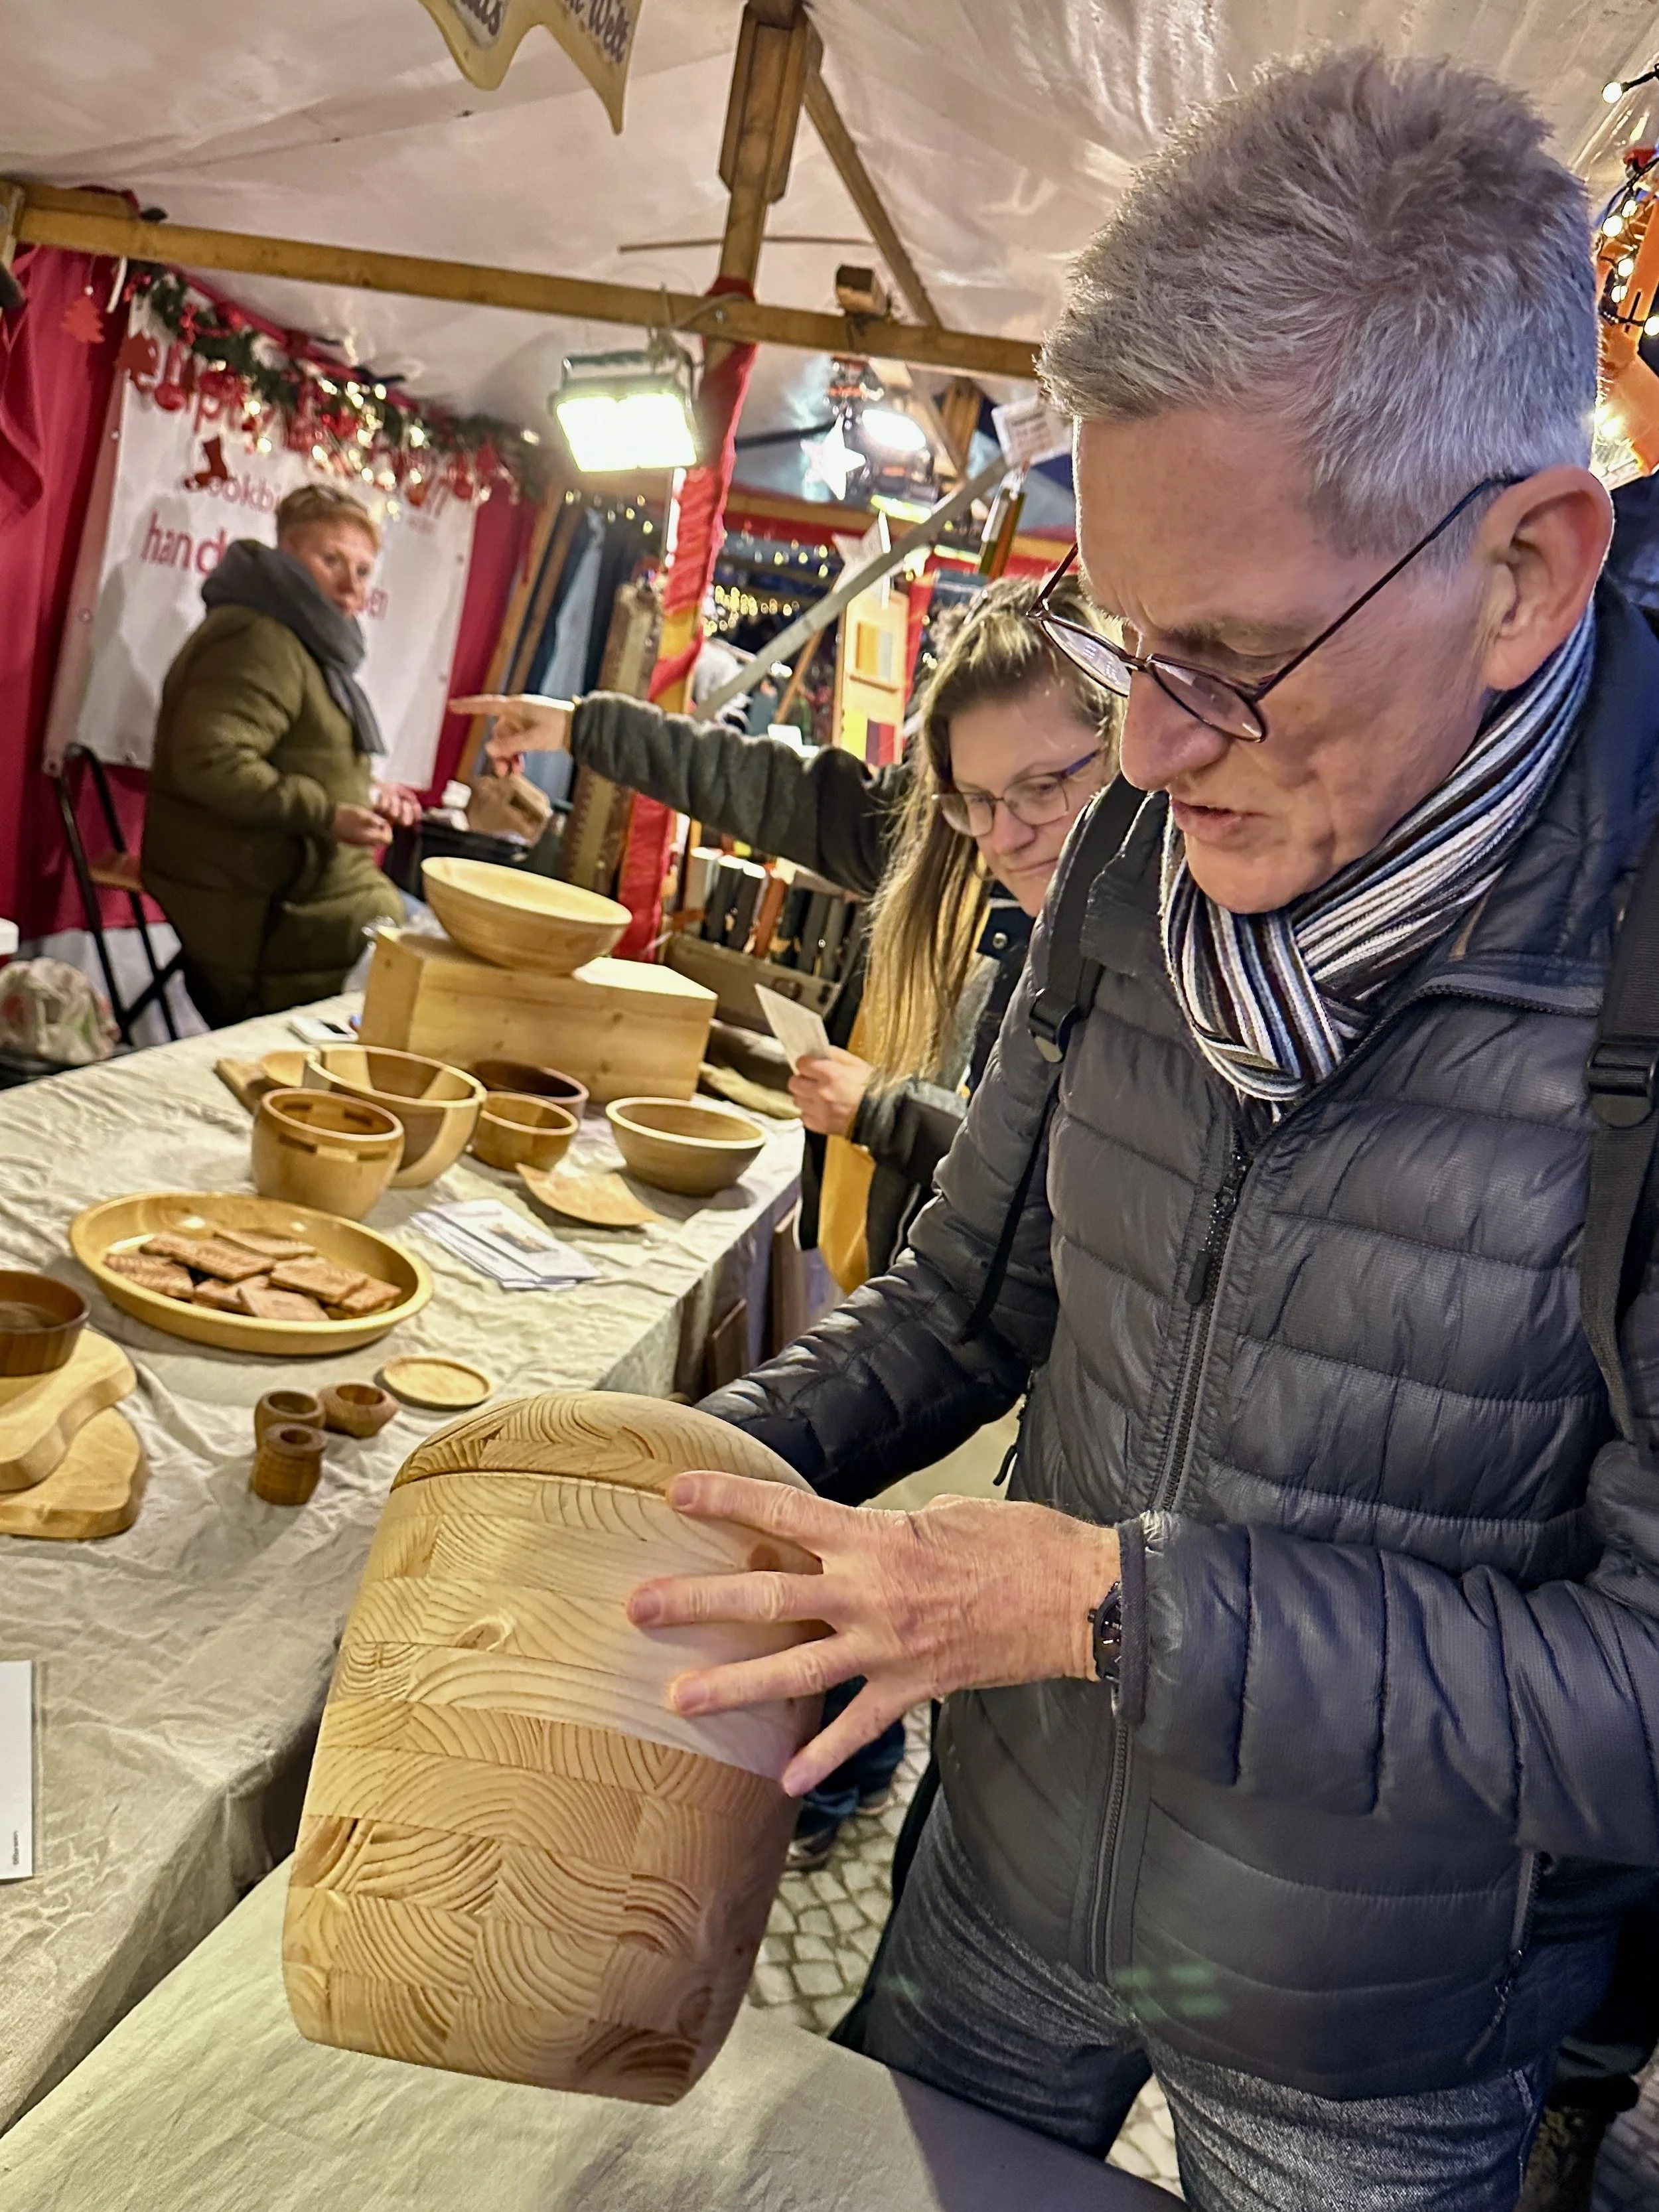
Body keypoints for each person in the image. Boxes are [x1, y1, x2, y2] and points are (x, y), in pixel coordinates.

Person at [613, 52, 1659, 2211]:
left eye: (1235, 658)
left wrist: (1113, 1607)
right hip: (1002, 1865)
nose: (1151, 749)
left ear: (1528, 575)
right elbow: (974, 1291)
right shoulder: (1140, 844)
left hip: (1360, 2027)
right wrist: (653, 1490)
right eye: (1121, 635)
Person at [455, 579, 1116, 1870]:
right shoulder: (973, 863)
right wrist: (587, 726)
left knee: (852, 1588)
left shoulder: (1144, 913)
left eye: (1048, 785)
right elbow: (767, 785)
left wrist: (883, 1111)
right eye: (978, 801)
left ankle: (834, 1778)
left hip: (1102, 1574)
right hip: (919, 1286)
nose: (1012, 830)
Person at [142, 484, 412, 1025]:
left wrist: (366, 791)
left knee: (408, 943)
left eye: (362, 571)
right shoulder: (260, 637)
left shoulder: (299, 640)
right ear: (285, 552)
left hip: (289, 875)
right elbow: (212, 760)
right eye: (331, 559)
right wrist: (326, 813)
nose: (349, 583)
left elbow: (297, 748)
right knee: (404, 957)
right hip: (252, 889)